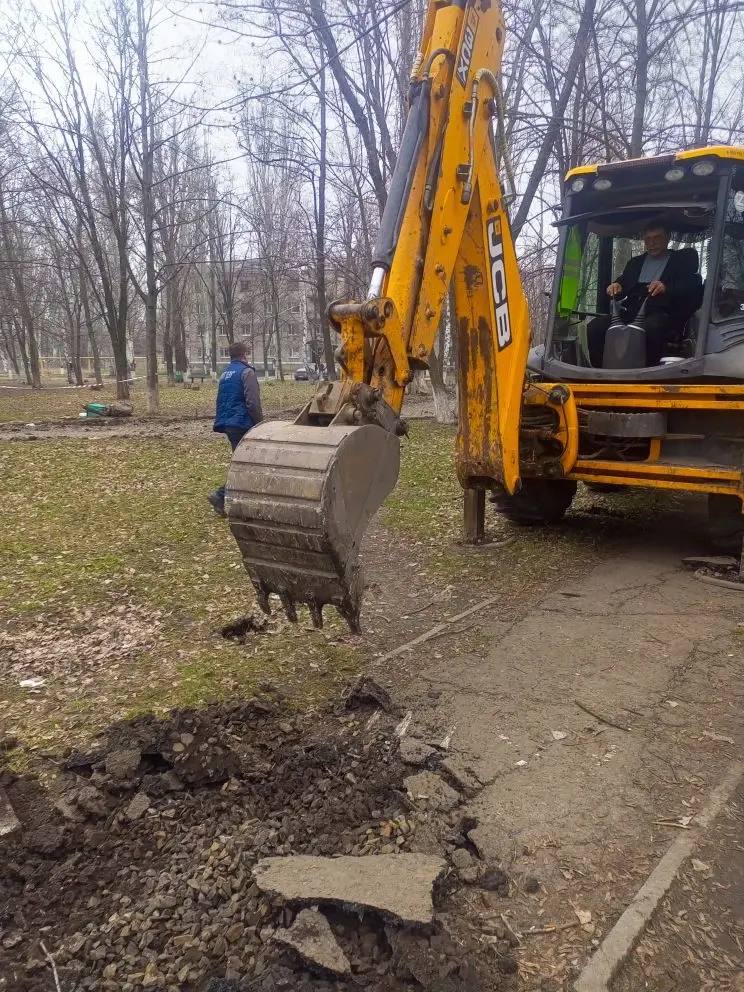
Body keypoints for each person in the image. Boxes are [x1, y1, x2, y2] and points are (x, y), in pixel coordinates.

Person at [587, 224, 700, 367]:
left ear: (667, 238)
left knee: (652, 327)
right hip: (631, 314)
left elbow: (691, 287)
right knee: (595, 326)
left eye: (657, 238)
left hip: (662, 314)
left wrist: (666, 287)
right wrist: (616, 286)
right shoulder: (635, 263)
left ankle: (648, 372)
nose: (652, 243)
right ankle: (601, 371)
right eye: (648, 239)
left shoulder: (680, 262)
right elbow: (623, 282)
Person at [208, 341, 262, 516]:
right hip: (243, 423)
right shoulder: (247, 372)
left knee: (242, 462)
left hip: (229, 422)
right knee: (246, 464)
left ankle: (226, 499)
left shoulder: (226, 374)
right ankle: (221, 495)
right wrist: (259, 424)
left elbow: (221, 399)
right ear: (244, 354)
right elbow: (252, 402)